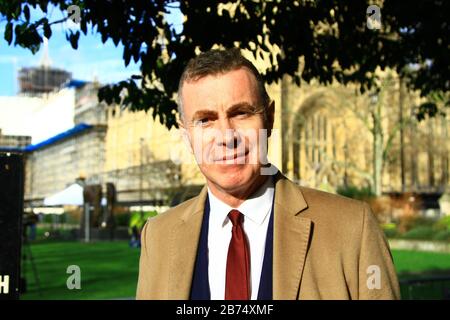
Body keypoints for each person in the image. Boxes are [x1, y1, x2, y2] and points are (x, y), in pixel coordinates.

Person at [136, 48, 400, 300]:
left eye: (241, 113)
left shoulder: (353, 229)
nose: (227, 137)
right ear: (186, 136)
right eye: (205, 120)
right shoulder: (157, 238)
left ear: (270, 118)